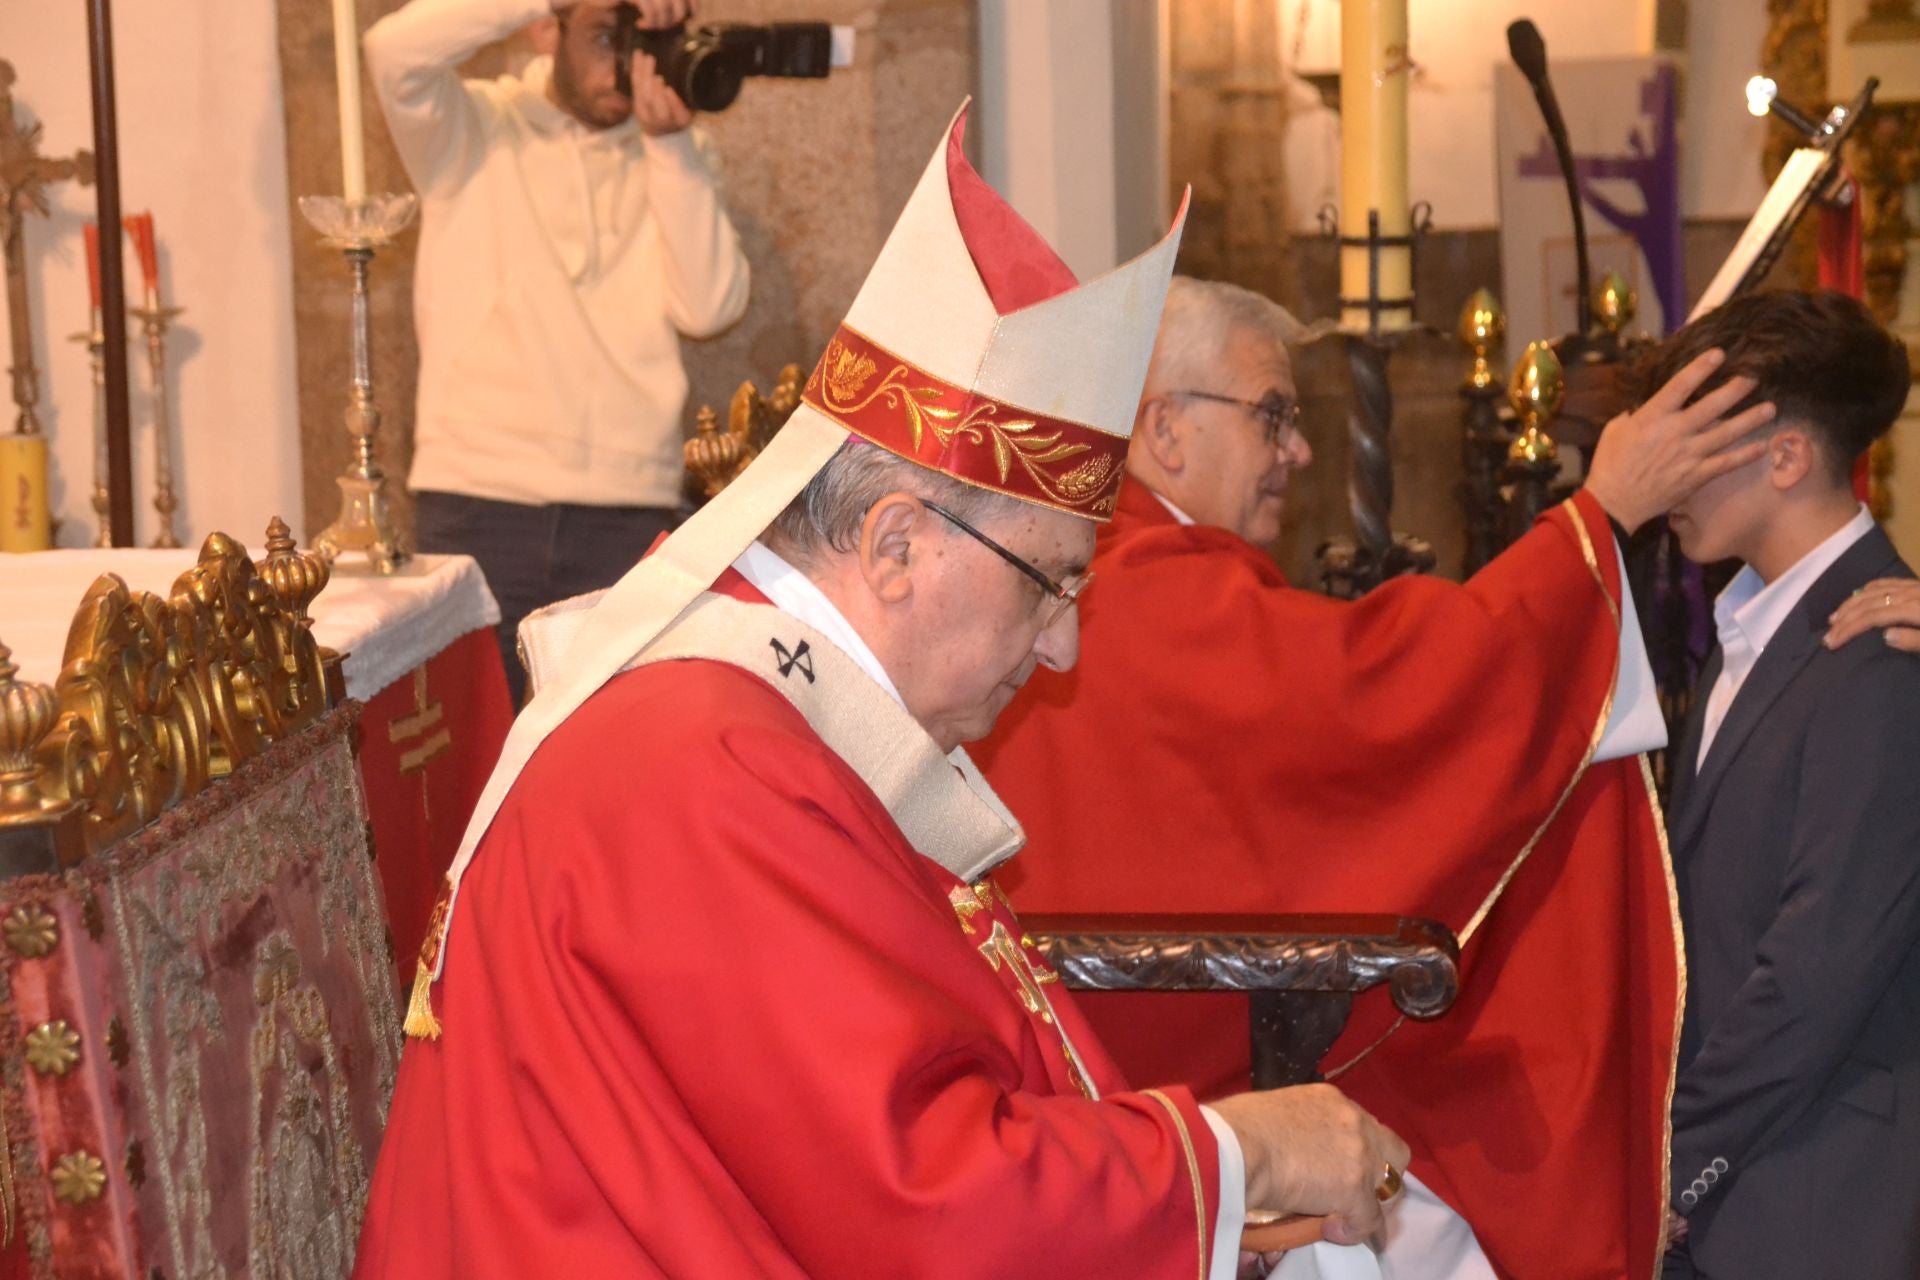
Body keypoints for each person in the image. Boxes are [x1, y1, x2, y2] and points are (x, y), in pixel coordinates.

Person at [354, 108, 1411, 1280]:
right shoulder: (705, 766)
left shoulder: (771, 714)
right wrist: (1238, 1156)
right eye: (1050, 583)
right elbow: (926, 1206)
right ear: (896, 543)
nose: (1062, 650)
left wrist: (1189, 1214)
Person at [972, 277, 1785, 1279]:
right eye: (1272, 414)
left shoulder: (1111, 566)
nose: (1299, 452)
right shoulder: (1147, 590)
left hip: (1108, 1069)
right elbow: (1377, 704)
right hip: (1188, 1078)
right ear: (1165, 430)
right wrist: (1597, 519)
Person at [364, 0, 749, 703]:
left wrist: (670, 147)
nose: (624, 66)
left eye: (644, 42)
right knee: (479, 757)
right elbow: (394, 49)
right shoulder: (472, 126)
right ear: (548, 29)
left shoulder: (676, 149)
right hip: (479, 502)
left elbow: (710, 307)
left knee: (611, 760)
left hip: (626, 509)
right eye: (607, 34)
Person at [1647, 291, 1919, 1279]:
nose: (1666, 465)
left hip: (1815, 1204)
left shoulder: (1884, 652)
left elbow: (1815, 972)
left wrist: (1674, 1163)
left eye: (1697, 435)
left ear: (1788, 456)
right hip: (1745, 1196)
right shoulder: (1746, 635)